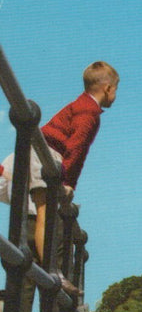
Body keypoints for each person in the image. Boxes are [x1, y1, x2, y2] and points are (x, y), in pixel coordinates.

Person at [1, 60, 119, 265]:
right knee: (45, 212)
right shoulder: (89, 112)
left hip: (38, 152)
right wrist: (69, 183)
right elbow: (77, 148)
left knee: (40, 209)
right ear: (108, 88)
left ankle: (50, 268)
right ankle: (52, 269)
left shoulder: (81, 104)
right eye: (116, 89)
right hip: (46, 155)